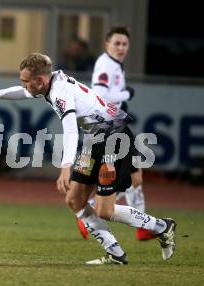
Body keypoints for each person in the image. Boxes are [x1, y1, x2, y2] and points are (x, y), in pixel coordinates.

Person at [0, 53, 177, 264]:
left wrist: (65, 167)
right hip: (96, 139)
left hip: (115, 138)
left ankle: (162, 227)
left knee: (104, 210)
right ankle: (115, 253)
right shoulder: (50, 82)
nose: (23, 85)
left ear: (39, 81)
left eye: (25, 80)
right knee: (74, 200)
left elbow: (70, 131)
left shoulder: (59, 92)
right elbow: (24, 92)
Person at [77, 26, 154, 241]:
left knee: (135, 178)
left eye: (125, 44)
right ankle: (90, 211)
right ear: (106, 44)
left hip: (115, 126)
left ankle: (143, 226)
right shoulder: (106, 64)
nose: (121, 47)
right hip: (110, 129)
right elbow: (100, 93)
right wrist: (126, 93)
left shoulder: (114, 65)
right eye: (117, 43)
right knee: (127, 178)